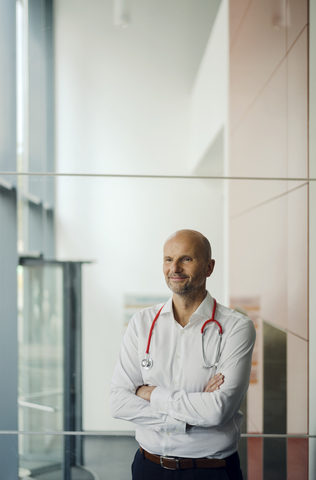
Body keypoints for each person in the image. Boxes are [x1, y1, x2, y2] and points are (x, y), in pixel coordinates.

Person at [110, 229, 256, 479]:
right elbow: (119, 403)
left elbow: (218, 410)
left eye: (186, 259)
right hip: (148, 467)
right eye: (168, 259)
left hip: (212, 471)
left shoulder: (236, 327)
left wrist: (150, 393)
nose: (174, 268)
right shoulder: (142, 323)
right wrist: (190, 414)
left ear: (209, 267)